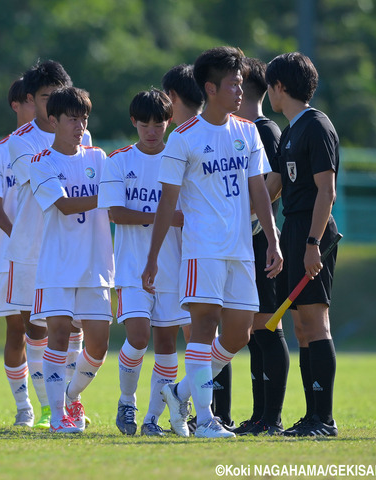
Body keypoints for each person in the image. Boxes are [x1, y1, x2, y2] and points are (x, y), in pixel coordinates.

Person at [142, 46, 282, 438]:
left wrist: (273, 240)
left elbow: (258, 190)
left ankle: (179, 392)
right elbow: (166, 203)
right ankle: (204, 420)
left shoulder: (247, 131)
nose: (240, 91)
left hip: (239, 249)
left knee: (240, 334)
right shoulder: (183, 138)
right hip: (202, 248)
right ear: (210, 88)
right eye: (233, 84)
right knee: (203, 327)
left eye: (241, 84)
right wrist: (152, 259)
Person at [5, 60, 91, 429]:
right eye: (46, 97)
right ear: (33, 100)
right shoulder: (21, 142)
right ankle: (46, 407)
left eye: (60, 95)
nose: (53, 103)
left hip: (71, 247)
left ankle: (71, 402)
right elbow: (58, 192)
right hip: (31, 248)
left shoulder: (83, 137)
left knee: (75, 329)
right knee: (37, 332)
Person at [99, 89, 188, 436]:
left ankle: (152, 419)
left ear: (168, 122)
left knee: (167, 345)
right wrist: (164, 216)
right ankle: (126, 400)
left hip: (174, 267)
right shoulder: (118, 160)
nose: (152, 130)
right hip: (133, 266)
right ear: (134, 122)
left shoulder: (180, 160)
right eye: (144, 123)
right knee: (137, 337)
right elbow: (116, 212)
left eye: (159, 123)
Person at [30, 86, 114, 433]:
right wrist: (107, 194)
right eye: (71, 118)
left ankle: (71, 394)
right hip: (58, 264)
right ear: (54, 120)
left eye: (83, 118)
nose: (79, 125)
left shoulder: (99, 158)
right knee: (59, 336)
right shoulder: (41, 162)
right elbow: (64, 206)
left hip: (95, 264)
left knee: (98, 345)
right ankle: (56, 415)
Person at [265, 52, 340, 437]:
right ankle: (311, 416)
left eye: (270, 86)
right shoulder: (291, 130)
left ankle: (324, 419)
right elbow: (277, 186)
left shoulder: (316, 126)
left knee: (315, 320)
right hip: (293, 230)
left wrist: (313, 241)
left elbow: (327, 191)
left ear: (280, 87)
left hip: (313, 231)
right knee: (300, 324)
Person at [161, 63, 234, 433]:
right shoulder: (174, 140)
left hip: (199, 253)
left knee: (211, 336)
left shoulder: (191, 137)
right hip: (182, 256)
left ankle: (189, 399)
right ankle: (203, 414)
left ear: (172, 97)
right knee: (201, 336)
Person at [0, 78, 38, 426]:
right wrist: (19, 238)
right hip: (14, 255)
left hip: (55, 255)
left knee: (64, 328)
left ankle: (60, 403)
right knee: (19, 331)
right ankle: (25, 407)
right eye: (33, 101)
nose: (39, 107)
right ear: (17, 105)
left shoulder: (63, 147)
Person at [233, 57, 290, 436]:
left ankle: (272, 417)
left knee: (269, 327)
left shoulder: (263, 129)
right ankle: (259, 416)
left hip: (259, 242)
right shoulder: (243, 129)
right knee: (254, 331)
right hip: (246, 243)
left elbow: (276, 179)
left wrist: (251, 217)